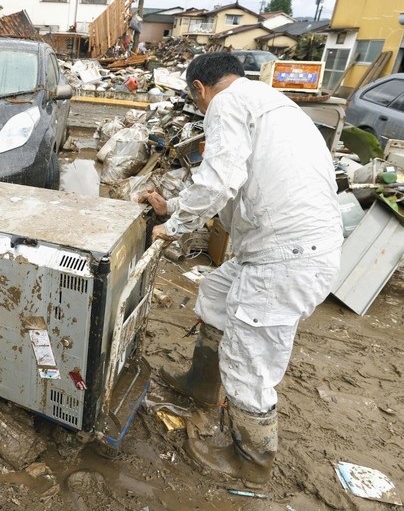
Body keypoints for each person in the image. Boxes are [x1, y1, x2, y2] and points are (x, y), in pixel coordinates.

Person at [140, 52, 342, 485]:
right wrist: (171, 206)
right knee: (214, 291)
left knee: (249, 358)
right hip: (293, 247)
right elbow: (234, 185)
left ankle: (250, 460)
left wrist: (171, 228)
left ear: (200, 88)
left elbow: (218, 181)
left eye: (196, 101)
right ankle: (201, 384)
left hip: (285, 256)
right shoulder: (269, 103)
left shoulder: (226, 103)